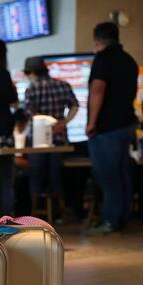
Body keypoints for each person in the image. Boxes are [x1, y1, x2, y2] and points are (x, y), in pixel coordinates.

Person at [85, 22, 139, 235]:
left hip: (107, 128)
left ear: (97, 40)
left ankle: (111, 220)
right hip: (126, 126)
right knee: (122, 173)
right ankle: (122, 218)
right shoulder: (129, 61)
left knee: (107, 175)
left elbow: (98, 89)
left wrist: (92, 122)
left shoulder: (103, 59)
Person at [23, 56, 79, 220]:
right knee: (56, 176)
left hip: (38, 140)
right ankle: (60, 213)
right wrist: (63, 122)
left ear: (32, 72)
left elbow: (29, 115)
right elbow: (75, 105)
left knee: (36, 175)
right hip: (59, 139)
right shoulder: (63, 85)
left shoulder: (32, 89)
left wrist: (44, 126)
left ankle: (34, 214)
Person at [0, 39, 19, 216]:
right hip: (3, 129)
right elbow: (12, 100)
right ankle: (7, 214)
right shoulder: (2, 73)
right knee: (6, 175)